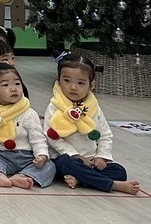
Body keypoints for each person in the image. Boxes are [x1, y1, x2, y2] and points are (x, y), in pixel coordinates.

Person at [45, 54, 140, 194]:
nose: (73, 87)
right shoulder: (54, 106)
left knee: (119, 171)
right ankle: (111, 185)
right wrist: (76, 156)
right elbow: (52, 138)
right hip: (67, 158)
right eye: (67, 80)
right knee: (64, 163)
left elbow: (105, 135)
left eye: (81, 83)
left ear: (91, 85)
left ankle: (81, 179)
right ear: (58, 81)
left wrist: (101, 156)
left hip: (91, 160)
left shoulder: (93, 108)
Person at [0, 64, 54, 189]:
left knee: (50, 166)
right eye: (5, 85)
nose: (13, 89)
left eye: (17, 83)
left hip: (27, 157)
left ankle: (23, 176)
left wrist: (41, 156)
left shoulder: (29, 113)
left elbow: (38, 139)